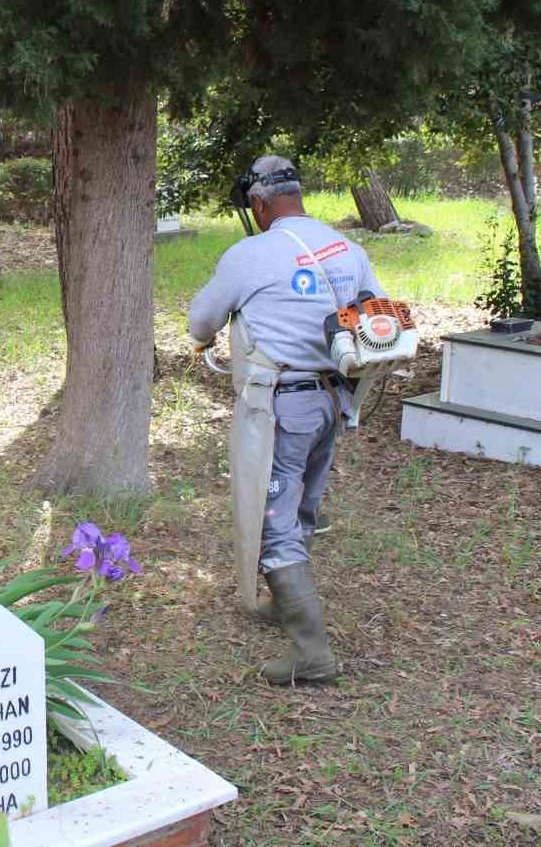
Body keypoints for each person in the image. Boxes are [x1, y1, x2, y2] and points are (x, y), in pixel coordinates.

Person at [186, 155, 387, 685]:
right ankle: (284, 600)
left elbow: (199, 322)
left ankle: (311, 652)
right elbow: (375, 314)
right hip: (334, 400)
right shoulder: (348, 249)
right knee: (300, 504)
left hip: (280, 403)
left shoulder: (251, 254)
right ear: (299, 194)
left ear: (257, 203)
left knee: (271, 518)